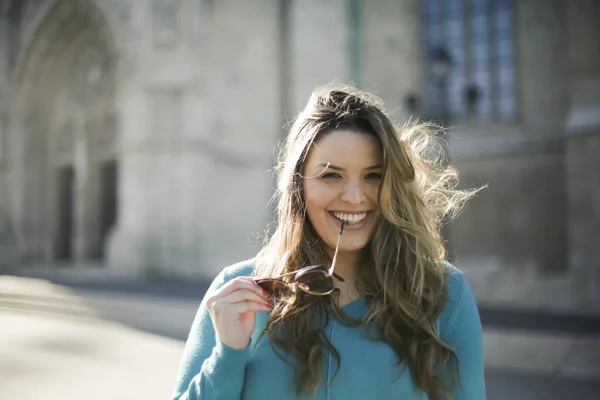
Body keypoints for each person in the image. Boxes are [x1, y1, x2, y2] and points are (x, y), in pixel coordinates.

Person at [171, 84, 486, 399]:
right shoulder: (238, 294)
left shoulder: (443, 293)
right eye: (331, 175)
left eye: (373, 176)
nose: (353, 197)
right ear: (299, 186)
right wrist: (227, 354)